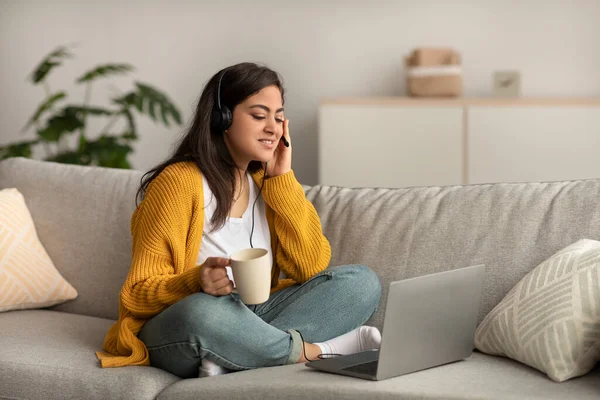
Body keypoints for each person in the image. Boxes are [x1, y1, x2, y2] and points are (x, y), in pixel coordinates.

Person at [95, 62, 382, 379]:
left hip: (254, 316)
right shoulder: (178, 183)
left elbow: (312, 266)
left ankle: (235, 356)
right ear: (223, 119)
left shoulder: (266, 183)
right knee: (203, 313)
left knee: (361, 282)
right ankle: (312, 352)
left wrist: (282, 180)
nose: (272, 128)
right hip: (184, 323)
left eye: (277, 116)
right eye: (259, 116)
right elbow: (136, 293)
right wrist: (197, 281)